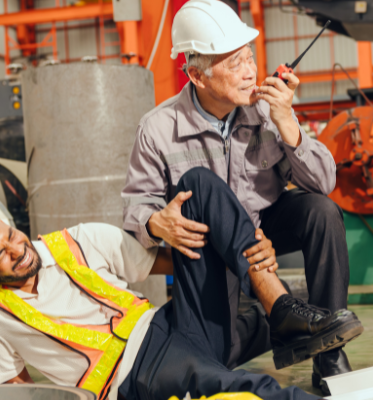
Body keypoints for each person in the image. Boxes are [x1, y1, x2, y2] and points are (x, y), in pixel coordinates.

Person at [0, 168, 362, 400]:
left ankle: (280, 307)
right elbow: (15, 387)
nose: (18, 249)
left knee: (197, 185)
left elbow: (178, 259)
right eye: (0, 255)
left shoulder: (78, 240)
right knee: (239, 390)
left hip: (171, 323)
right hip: (136, 373)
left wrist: (246, 250)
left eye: (10, 235)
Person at [122, 0, 351, 392]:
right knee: (218, 357)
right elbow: (135, 208)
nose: (250, 72)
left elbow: (324, 181)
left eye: (250, 58)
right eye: (235, 64)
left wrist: (287, 122)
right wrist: (157, 222)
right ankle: (277, 322)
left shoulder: (268, 111)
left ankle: (328, 353)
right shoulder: (158, 129)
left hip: (266, 230)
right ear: (197, 75)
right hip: (212, 252)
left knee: (322, 212)